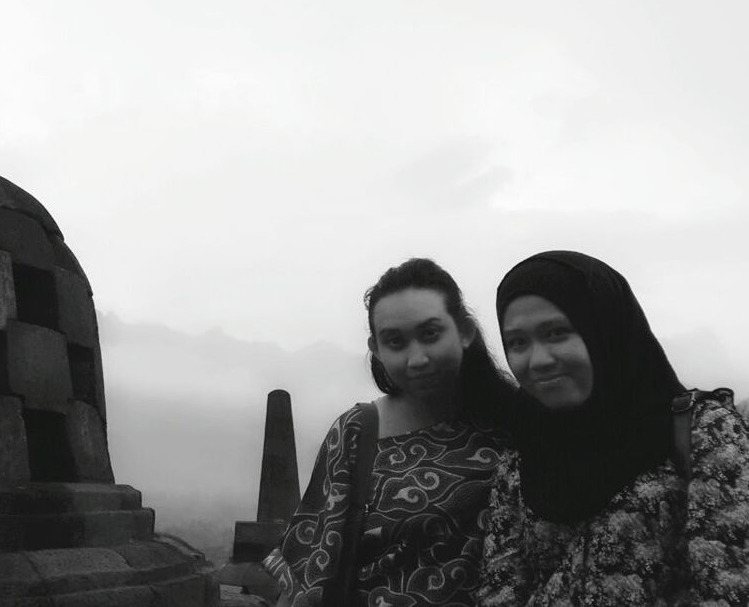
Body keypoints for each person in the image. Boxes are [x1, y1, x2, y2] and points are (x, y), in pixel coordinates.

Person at [477, 250, 749, 605]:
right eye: (517, 342)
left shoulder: (703, 434)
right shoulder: (520, 458)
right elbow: (501, 587)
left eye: (557, 332)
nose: (538, 360)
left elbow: (730, 585)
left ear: (607, 329)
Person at [264, 258, 514, 607]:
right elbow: (313, 570)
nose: (417, 359)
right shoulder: (357, 432)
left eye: (430, 334)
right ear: (377, 350)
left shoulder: (517, 426)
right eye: (395, 342)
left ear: (465, 331)